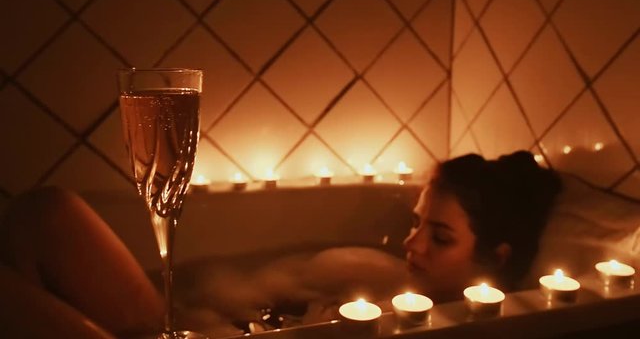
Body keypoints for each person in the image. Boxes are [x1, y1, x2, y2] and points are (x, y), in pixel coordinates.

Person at [0, 150, 561, 337]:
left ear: (495, 259)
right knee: (44, 213)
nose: (413, 245)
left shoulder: (468, 319)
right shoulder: (374, 271)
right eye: (417, 224)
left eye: (440, 238)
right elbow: (234, 290)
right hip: (183, 325)